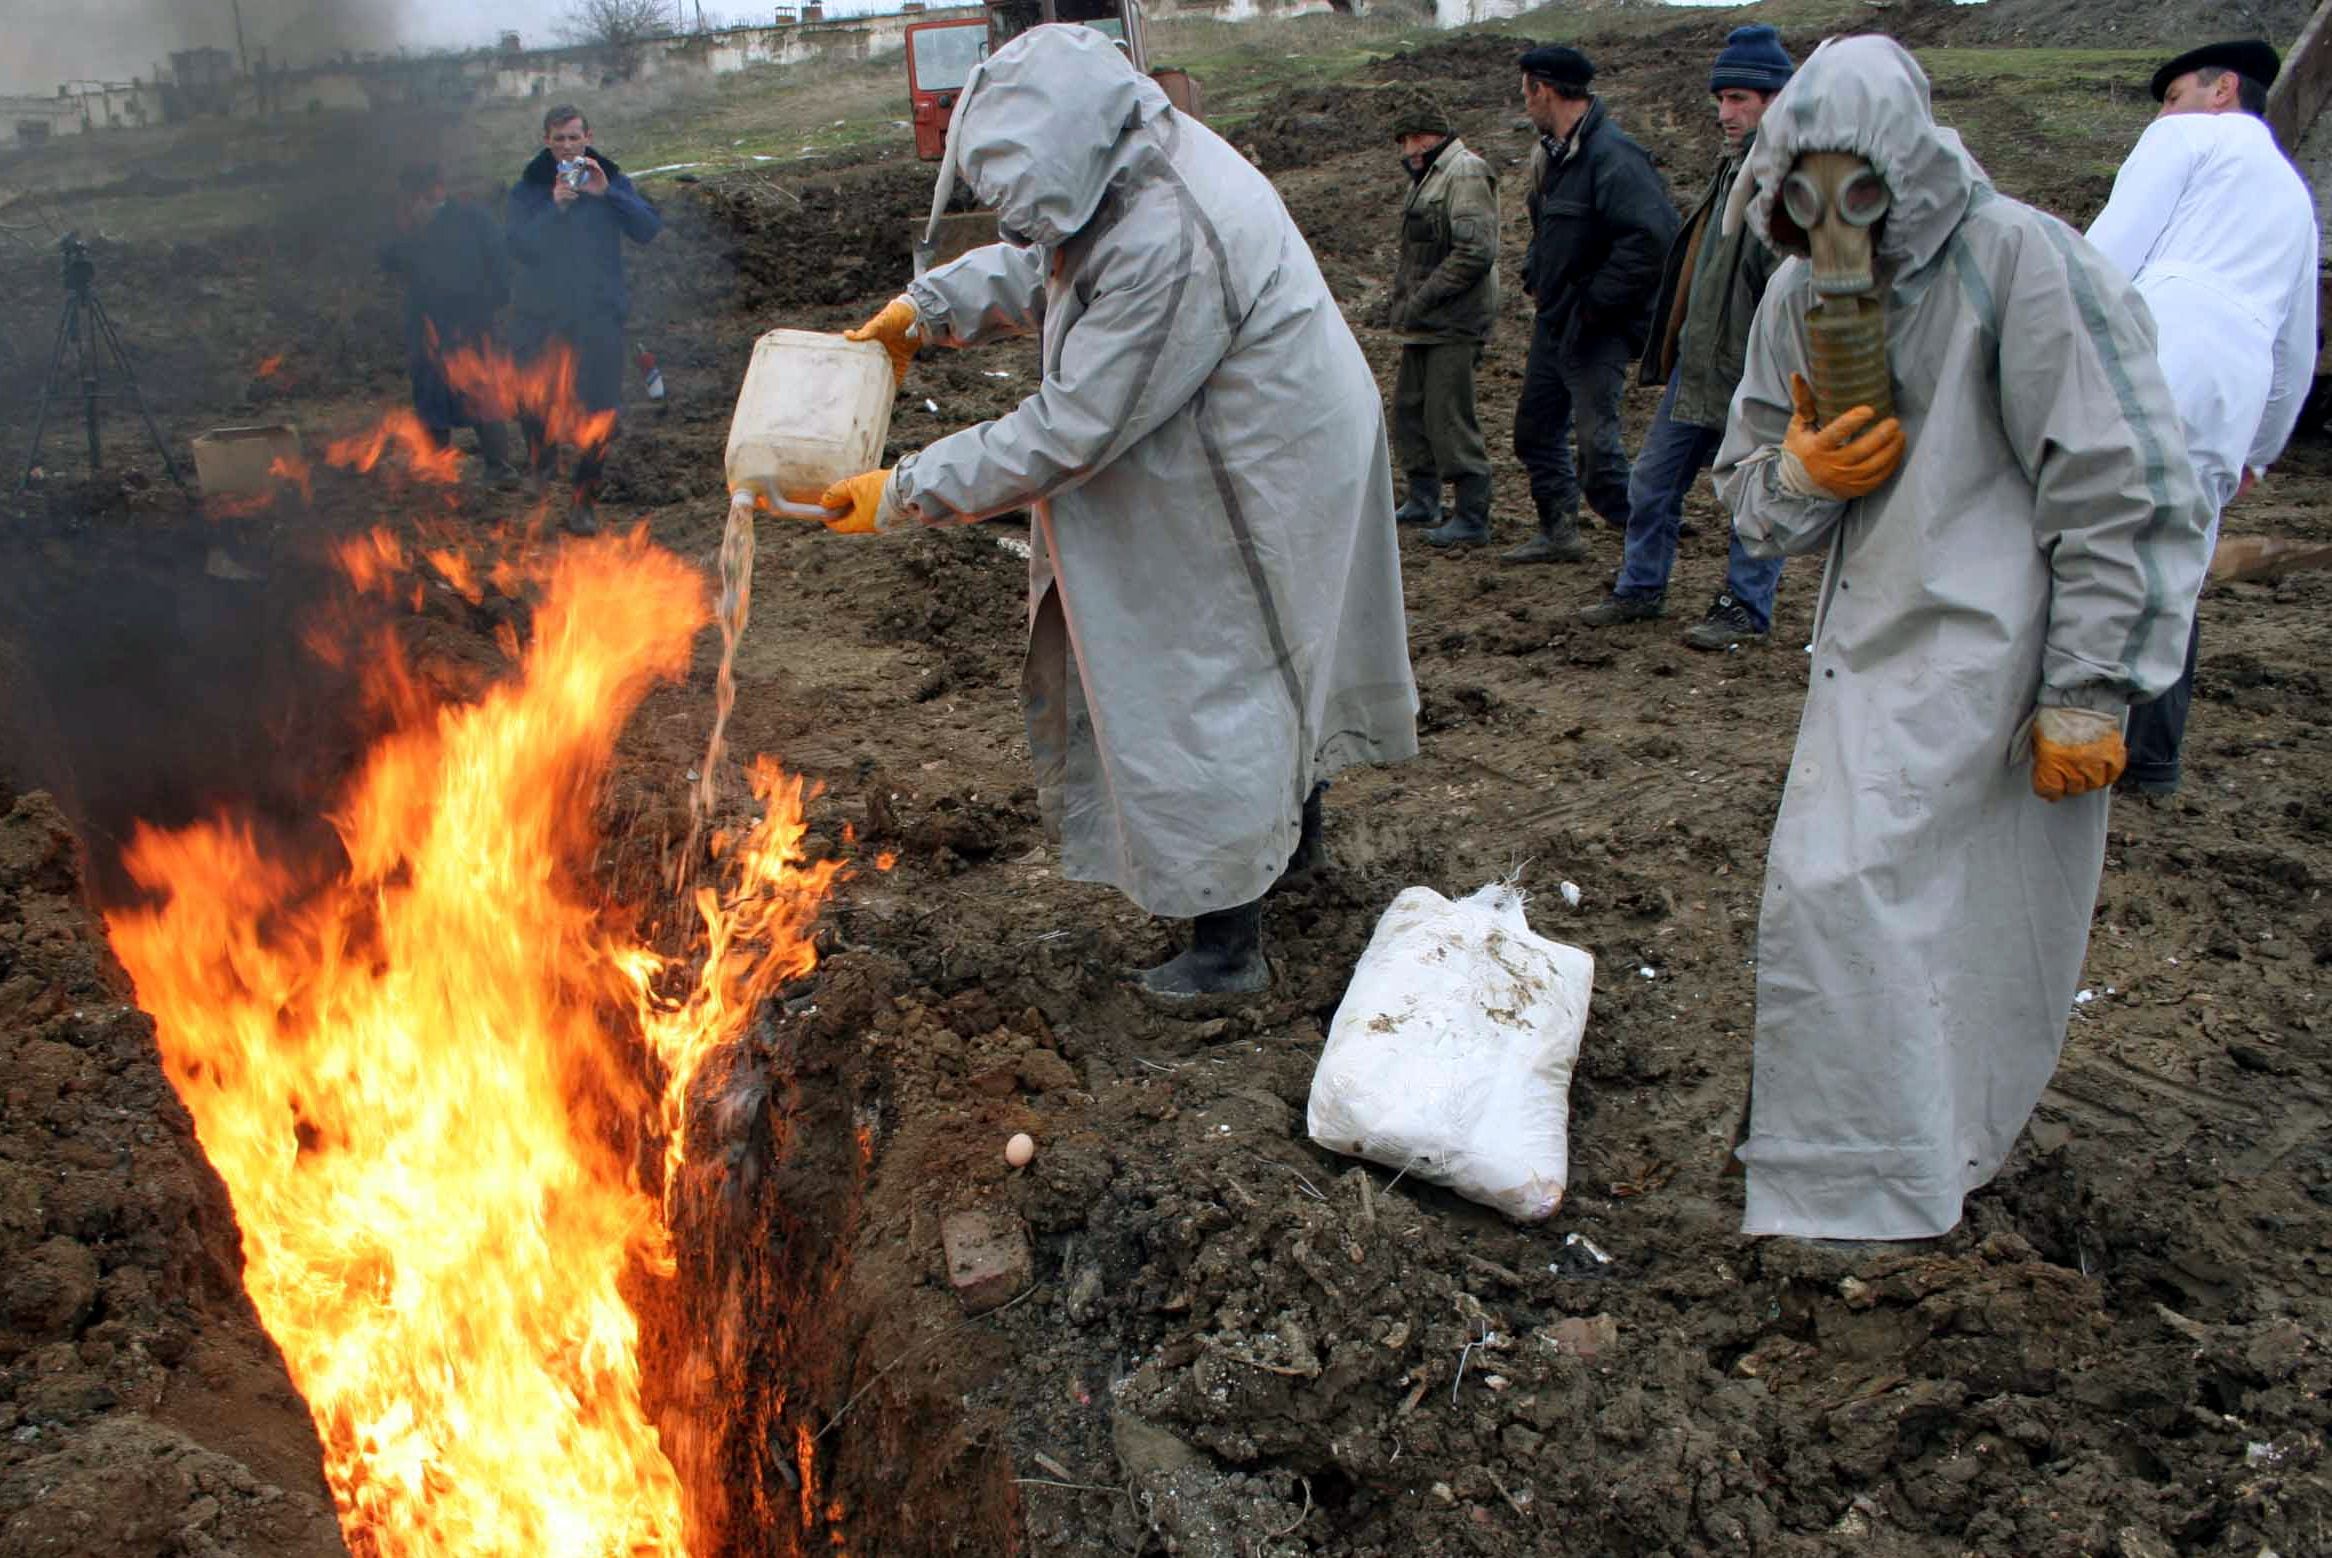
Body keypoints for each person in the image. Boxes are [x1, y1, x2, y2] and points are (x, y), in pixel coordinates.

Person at [1712, 36, 2212, 1241]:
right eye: (1804, 196)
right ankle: (1853, 1158)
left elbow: (2123, 486)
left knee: (1922, 911)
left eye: (1859, 192)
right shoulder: (1796, 294)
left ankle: (1897, 1173)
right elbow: (1748, 492)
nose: (1835, 224)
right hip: (1867, 650)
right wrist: (1800, 468)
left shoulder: (2024, 264)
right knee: (1851, 898)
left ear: (1911, 172)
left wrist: (2095, 686)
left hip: (1999, 659)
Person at [818, 25, 1419, 1006]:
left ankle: (1228, 946)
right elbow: (1060, 263)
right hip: (1266, 426)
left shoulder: (1171, 230)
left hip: (1258, 462)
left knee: (1209, 674)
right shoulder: (1133, 152)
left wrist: (905, 488)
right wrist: (931, 309)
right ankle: (1291, 845)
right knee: (1274, 658)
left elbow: (1070, 431)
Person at [2085, 39, 2318, 796]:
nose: (2166, 109)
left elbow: (2107, 257)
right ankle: (2152, 761)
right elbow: (2296, 341)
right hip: (2235, 383)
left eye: (2174, 92)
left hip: (2159, 346)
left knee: (2085, 527)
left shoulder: (2183, 137)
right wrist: (2259, 448)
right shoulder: (2293, 197)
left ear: (2221, 92)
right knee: (2176, 567)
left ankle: (2063, 721)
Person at [1579, 27, 1793, 649]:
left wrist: (1777, 376)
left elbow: (1794, 297)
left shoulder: (1786, 182)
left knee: (1755, 493)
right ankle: (1642, 587)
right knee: (1651, 480)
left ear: (1776, 100)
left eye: (1740, 100)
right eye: (1721, 99)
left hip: (1753, 376)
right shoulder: (1735, 171)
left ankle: (1746, 610)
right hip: (1698, 365)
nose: (1725, 113)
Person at [1480, 45, 1676, 562]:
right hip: (1557, 318)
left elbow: (1653, 242)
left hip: (1597, 325)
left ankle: (1650, 538)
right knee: (1534, 432)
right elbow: (1548, 230)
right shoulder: (1556, 155)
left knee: (1599, 453)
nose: (1525, 104)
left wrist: (1594, 303)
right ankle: (1560, 532)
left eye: (1526, 92)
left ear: (1543, 90)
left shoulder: (1613, 156)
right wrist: (1534, 273)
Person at [506, 104, 663, 535]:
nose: (567, 146)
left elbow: (648, 228)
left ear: (588, 136)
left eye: (574, 137)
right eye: (559, 139)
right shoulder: (530, 189)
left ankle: (584, 501)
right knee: (532, 397)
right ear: (546, 142)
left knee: (601, 411)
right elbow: (516, 246)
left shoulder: (608, 179)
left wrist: (607, 193)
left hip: (597, 316)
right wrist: (552, 209)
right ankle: (541, 463)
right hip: (542, 315)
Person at [1384, 92, 1500, 542]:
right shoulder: (1429, 175)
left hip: (1454, 320)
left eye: (1415, 137)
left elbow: (1475, 251)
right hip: (1425, 322)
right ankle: (1423, 497)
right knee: (1410, 412)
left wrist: (1422, 299)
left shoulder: (1464, 172)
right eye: (1403, 140)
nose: (1408, 148)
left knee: (1449, 415)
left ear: (1436, 135)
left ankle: (1473, 515)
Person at [381, 162, 518, 483]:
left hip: (470, 322)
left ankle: (499, 467)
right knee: (431, 396)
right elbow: (389, 259)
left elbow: (499, 263)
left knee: (480, 390)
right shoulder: (412, 226)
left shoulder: (472, 218)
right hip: (428, 325)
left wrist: (492, 301)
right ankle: (437, 469)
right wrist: (407, 231)